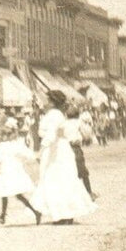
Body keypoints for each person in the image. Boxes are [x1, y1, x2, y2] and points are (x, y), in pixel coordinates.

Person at [35, 91, 97, 225]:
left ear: (52, 102)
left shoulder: (54, 115)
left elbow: (51, 134)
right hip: (59, 149)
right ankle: (66, 215)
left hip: (56, 151)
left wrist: (41, 150)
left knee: (56, 181)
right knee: (64, 181)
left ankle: (64, 214)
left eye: (47, 100)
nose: (45, 103)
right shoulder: (57, 114)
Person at [0, 120, 42, 225]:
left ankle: (34, 212)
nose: (2, 137)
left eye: (3, 135)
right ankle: (5, 215)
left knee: (8, 193)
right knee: (15, 195)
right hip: (16, 171)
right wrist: (36, 157)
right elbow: (28, 154)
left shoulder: (2, 147)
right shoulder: (17, 145)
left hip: (7, 172)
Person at [67, 104, 97, 201]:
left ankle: (72, 196)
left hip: (65, 149)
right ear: (77, 115)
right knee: (83, 172)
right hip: (75, 148)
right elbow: (87, 134)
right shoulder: (78, 122)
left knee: (70, 172)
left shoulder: (64, 123)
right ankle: (89, 193)